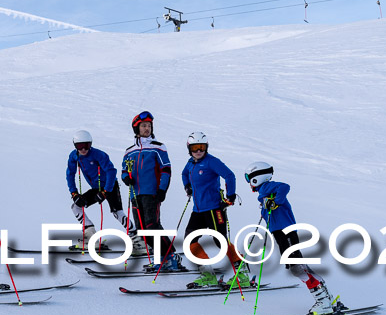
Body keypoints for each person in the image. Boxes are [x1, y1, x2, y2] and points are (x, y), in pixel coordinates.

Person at [244, 161, 348, 315]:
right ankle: (327, 298)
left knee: (296, 267)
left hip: (285, 231)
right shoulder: (264, 192)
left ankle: (323, 302)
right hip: (281, 231)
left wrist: (275, 202)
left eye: (248, 178)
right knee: (300, 266)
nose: (248, 183)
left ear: (256, 177)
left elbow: (285, 186)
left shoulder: (267, 187)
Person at [181, 132, 249, 288]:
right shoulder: (191, 163)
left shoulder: (212, 162)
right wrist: (187, 186)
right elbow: (184, 173)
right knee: (189, 241)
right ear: (189, 149)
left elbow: (229, 176)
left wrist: (230, 197)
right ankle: (208, 274)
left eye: (202, 147)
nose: (198, 151)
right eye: (195, 147)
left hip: (213, 209)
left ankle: (242, 274)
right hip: (197, 210)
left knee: (220, 241)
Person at [121, 111, 182, 271]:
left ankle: (168, 257)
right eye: (143, 126)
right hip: (135, 194)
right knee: (142, 229)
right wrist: (126, 177)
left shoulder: (158, 147)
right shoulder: (130, 151)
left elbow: (166, 170)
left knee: (152, 225)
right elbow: (124, 170)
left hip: (151, 193)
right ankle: (165, 257)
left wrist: (162, 189)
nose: (146, 128)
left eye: (148, 126)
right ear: (137, 128)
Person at [65, 130, 145, 253]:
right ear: (75, 146)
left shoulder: (99, 155)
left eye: (86, 145)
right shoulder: (74, 156)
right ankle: (90, 236)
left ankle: (137, 239)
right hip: (96, 188)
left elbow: (111, 171)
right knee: (76, 206)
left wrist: (106, 191)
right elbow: (70, 174)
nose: (83, 149)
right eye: (79, 146)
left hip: (110, 185)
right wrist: (74, 193)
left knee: (117, 212)